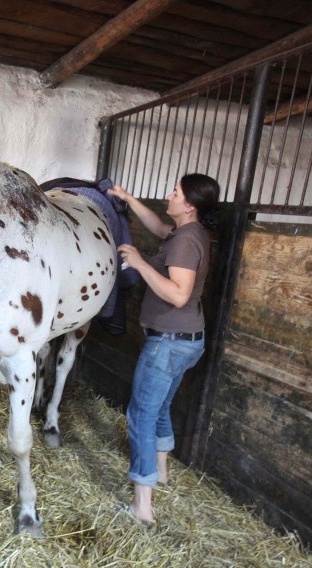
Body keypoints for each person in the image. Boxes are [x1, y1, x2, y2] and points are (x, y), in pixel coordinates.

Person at [108, 173, 220, 527]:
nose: (169, 195)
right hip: (186, 341)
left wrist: (140, 264)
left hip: (168, 344)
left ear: (189, 206)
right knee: (159, 408)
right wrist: (127, 196)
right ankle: (162, 473)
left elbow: (178, 294)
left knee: (140, 414)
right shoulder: (188, 232)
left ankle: (142, 507)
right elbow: (158, 227)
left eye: (175, 192)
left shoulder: (186, 242)